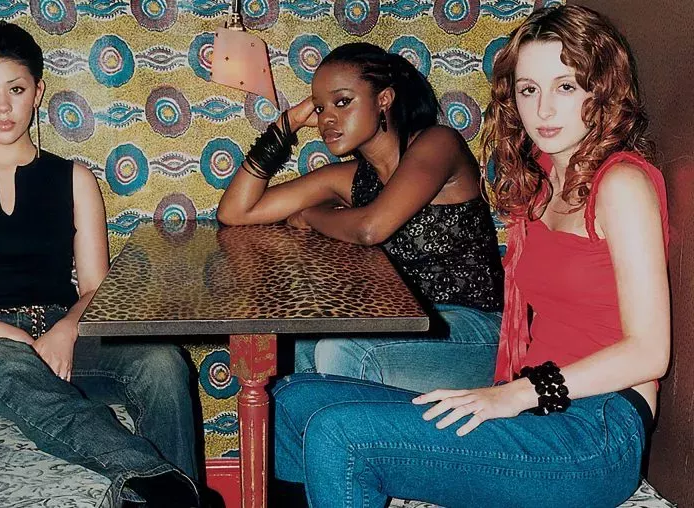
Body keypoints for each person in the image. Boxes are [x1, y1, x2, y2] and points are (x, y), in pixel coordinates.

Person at [271, 5, 669, 507]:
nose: (544, 109)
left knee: (338, 433)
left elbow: (649, 351)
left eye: (566, 87)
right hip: (534, 409)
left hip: (595, 431)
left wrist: (516, 394)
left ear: (602, 90)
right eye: (529, 89)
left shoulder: (622, 184)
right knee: (290, 401)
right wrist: (511, 394)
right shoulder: (543, 180)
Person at [0, 22, 201, 508]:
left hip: (63, 331)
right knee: (6, 361)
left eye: (16, 89)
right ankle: (166, 485)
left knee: (160, 360)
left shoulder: (74, 178)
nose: (3, 107)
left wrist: (65, 330)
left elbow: (95, 287)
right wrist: (18, 340)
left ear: (38, 92)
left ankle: (156, 498)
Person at [218, 42, 504, 393]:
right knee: (295, 350)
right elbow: (236, 212)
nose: (327, 119)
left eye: (342, 102)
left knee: (342, 349)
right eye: (320, 108)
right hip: (397, 326)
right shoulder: (352, 178)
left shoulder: (439, 143)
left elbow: (370, 228)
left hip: (474, 331)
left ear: (384, 99)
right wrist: (287, 123)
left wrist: (311, 215)